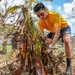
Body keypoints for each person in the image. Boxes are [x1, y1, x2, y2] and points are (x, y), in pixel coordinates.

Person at [33, 3, 72, 75]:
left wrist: (51, 46)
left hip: (63, 28)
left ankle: (69, 66)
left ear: (46, 10)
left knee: (66, 40)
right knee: (46, 42)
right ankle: (49, 61)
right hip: (53, 31)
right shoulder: (40, 22)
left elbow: (58, 33)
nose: (41, 17)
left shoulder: (54, 15)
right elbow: (41, 36)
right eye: (38, 15)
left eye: (42, 14)